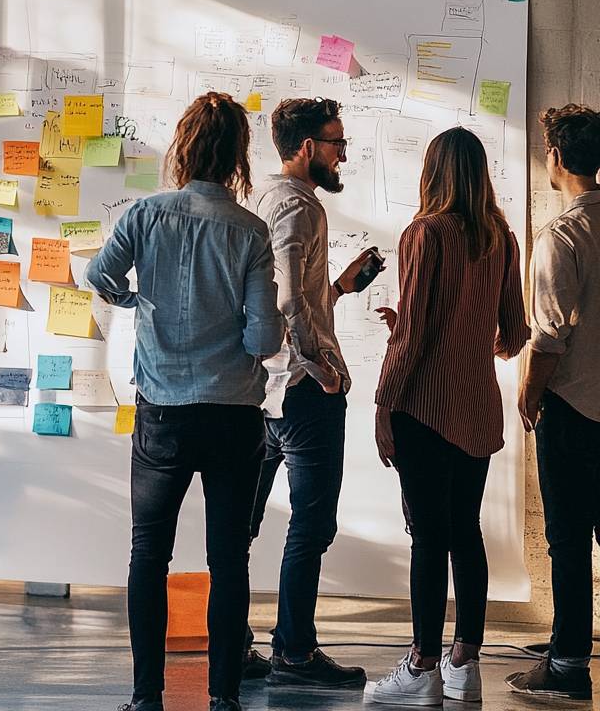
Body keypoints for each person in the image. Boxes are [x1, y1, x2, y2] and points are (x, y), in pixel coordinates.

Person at [85, 92, 285, 711]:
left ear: (184, 149)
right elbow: (264, 337)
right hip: (233, 416)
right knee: (229, 559)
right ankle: (223, 698)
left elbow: (99, 276)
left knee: (149, 553)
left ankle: (148, 698)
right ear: (238, 157)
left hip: (163, 414)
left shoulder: (145, 216)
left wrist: (137, 303)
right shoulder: (251, 231)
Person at [367, 127, 529, 707]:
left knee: (427, 538)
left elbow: (411, 334)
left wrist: (383, 404)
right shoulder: (502, 237)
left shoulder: (424, 234)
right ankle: (465, 663)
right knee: (466, 531)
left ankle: (421, 666)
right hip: (477, 407)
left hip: (424, 410)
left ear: (433, 171)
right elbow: (514, 334)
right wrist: (466, 340)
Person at [245, 97, 380, 689]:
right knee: (311, 525)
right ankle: (294, 653)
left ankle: (235, 642)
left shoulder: (264, 202)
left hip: (262, 393)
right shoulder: (300, 207)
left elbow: (295, 291)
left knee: (242, 524)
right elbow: (285, 304)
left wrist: (343, 287)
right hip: (301, 392)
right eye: (335, 143)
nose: (341, 153)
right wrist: (322, 366)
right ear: (305, 148)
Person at [507, 105, 600, 702]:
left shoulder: (562, 236)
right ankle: (567, 641)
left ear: (557, 158)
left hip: (573, 408)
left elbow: (547, 338)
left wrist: (526, 397)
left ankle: (567, 666)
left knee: (567, 539)